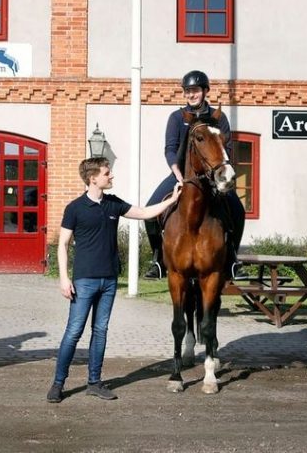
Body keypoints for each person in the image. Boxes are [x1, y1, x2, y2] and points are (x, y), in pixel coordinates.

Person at [46, 157, 182, 403]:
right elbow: (63, 245)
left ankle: (94, 383)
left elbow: (143, 213)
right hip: (84, 281)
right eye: (107, 173)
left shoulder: (113, 204)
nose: (111, 176)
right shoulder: (74, 208)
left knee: (100, 331)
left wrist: (172, 199)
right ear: (93, 178)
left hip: (109, 281)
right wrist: (64, 279)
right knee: (73, 332)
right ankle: (58, 384)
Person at [142, 70, 246, 280]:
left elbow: (227, 147)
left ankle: (233, 259)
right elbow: (170, 149)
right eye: (188, 91)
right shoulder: (176, 118)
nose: (192, 95)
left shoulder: (218, 118)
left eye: (196, 90)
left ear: (205, 91)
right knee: (151, 208)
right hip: (182, 173)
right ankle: (158, 260)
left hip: (212, 175)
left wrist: (220, 173)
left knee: (237, 209)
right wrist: (177, 173)